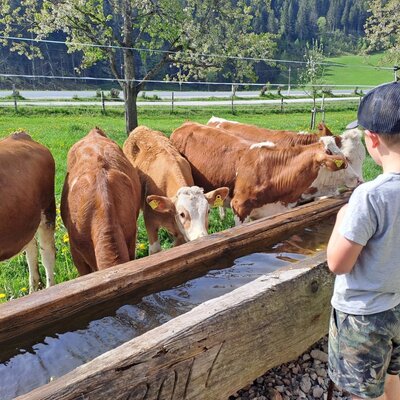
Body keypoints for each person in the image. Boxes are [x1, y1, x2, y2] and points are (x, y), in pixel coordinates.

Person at [327, 81, 400, 400]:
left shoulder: (369, 196)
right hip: (398, 306)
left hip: (362, 317)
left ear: (371, 139)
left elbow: (338, 263)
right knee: (393, 377)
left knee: (362, 393)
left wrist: (342, 219)